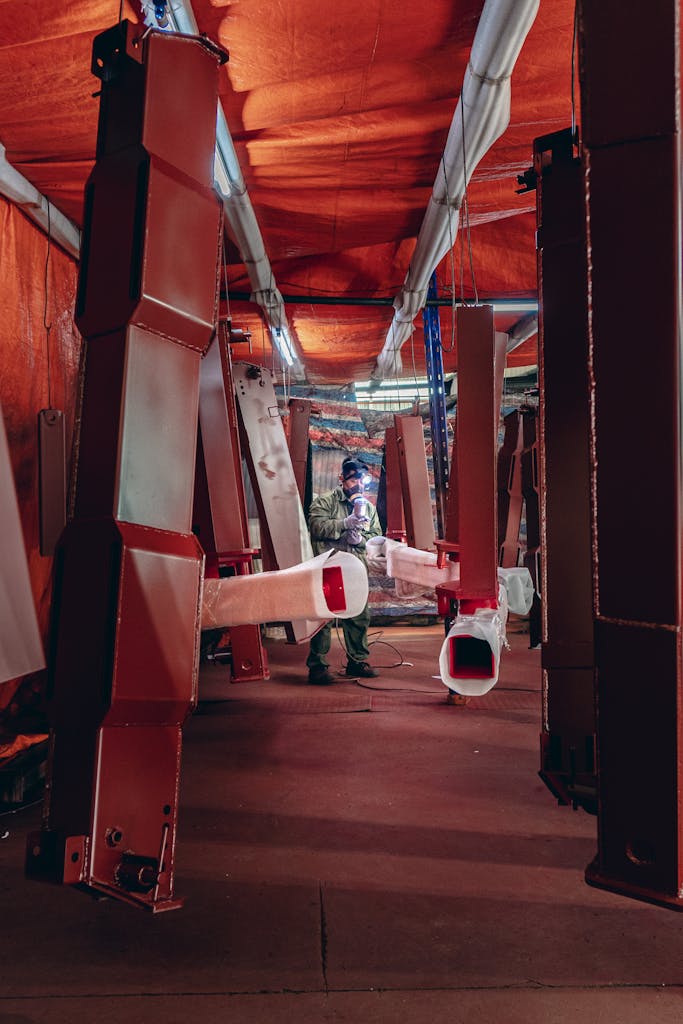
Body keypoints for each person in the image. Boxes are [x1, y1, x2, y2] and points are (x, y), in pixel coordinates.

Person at [306, 456, 382, 685]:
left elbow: (376, 536)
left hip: (355, 570)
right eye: (352, 481)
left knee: (359, 616)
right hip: (329, 568)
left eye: (362, 481)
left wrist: (360, 539)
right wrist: (344, 524)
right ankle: (318, 666)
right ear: (342, 479)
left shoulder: (368, 507)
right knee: (324, 616)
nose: (358, 486)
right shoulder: (325, 501)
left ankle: (357, 661)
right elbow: (316, 526)